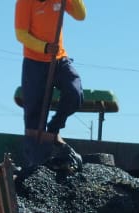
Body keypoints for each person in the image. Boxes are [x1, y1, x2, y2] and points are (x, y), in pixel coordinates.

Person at [15, 0, 87, 167]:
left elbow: (81, 15)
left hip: (59, 59)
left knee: (74, 93)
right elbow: (21, 34)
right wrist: (45, 47)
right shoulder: (24, 2)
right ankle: (35, 164)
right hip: (34, 63)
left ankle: (53, 129)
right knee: (34, 115)